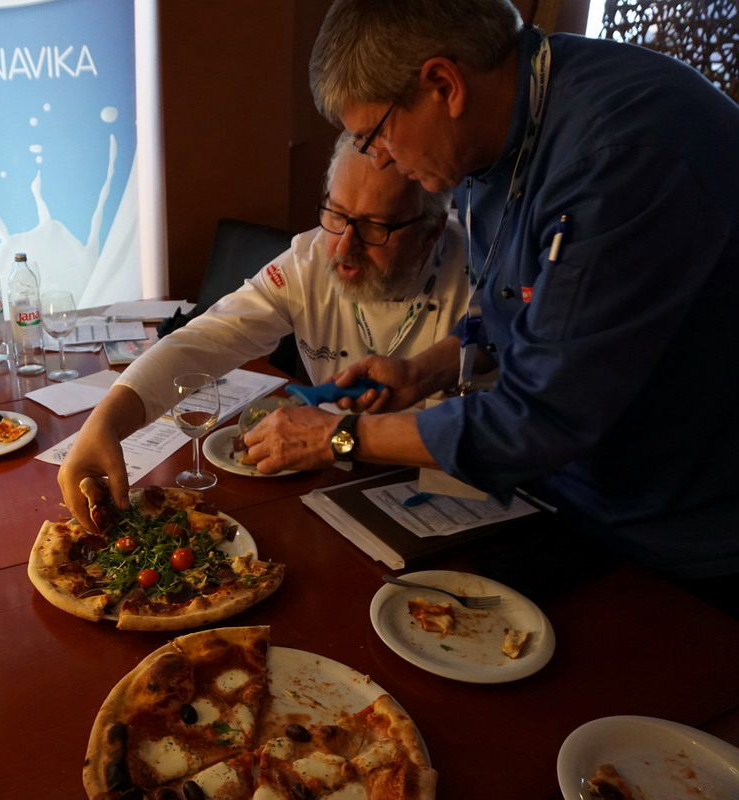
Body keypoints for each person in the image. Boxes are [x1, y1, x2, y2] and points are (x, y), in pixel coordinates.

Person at [243, 0, 739, 606]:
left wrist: (341, 436)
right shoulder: (494, 130)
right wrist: (423, 370)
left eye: (377, 135)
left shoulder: (618, 154)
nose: (381, 159)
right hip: (571, 498)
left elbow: (539, 417)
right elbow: (519, 307)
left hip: (687, 531)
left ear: (443, 85)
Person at [58, 131, 470, 528]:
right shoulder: (309, 259)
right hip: (333, 485)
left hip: (460, 502)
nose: (345, 246)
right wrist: (106, 421)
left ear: (431, 230)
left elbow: (492, 432)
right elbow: (205, 340)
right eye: (336, 214)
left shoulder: (481, 278)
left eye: (375, 226)